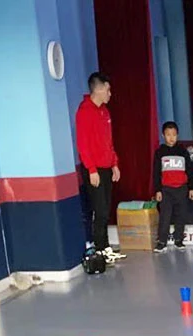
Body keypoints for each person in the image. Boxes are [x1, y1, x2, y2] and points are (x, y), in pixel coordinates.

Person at [76, 72, 126, 264]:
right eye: (107, 89)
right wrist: (91, 169)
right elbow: (83, 144)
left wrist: (115, 164)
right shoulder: (84, 111)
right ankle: (101, 249)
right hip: (94, 169)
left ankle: (105, 248)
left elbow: (108, 141)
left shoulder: (105, 112)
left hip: (106, 167)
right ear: (98, 89)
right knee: (100, 210)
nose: (110, 93)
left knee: (106, 208)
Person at [153, 121, 193, 253]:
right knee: (165, 216)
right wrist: (158, 190)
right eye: (168, 134)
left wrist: (191, 188)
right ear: (163, 135)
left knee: (181, 215)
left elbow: (190, 170)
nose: (171, 137)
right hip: (166, 190)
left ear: (177, 135)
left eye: (174, 134)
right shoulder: (160, 152)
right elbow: (156, 172)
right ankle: (162, 242)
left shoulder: (183, 151)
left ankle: (179, 239)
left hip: (182, 189)